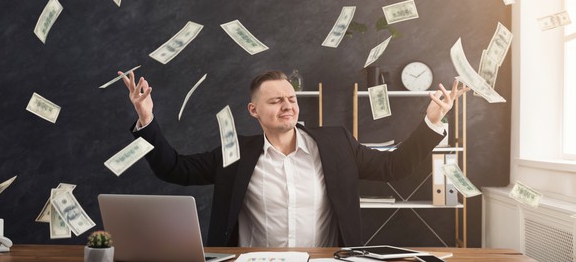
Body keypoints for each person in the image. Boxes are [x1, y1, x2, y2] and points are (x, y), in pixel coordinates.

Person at [120, 70, 468, 247]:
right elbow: (175, 169)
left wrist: (432, 121)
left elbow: (395, 167)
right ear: (253, 110)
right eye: (275, 101)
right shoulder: (235, 152)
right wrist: (147, 119)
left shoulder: (336, 143)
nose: (287, 105)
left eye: (291, 98)